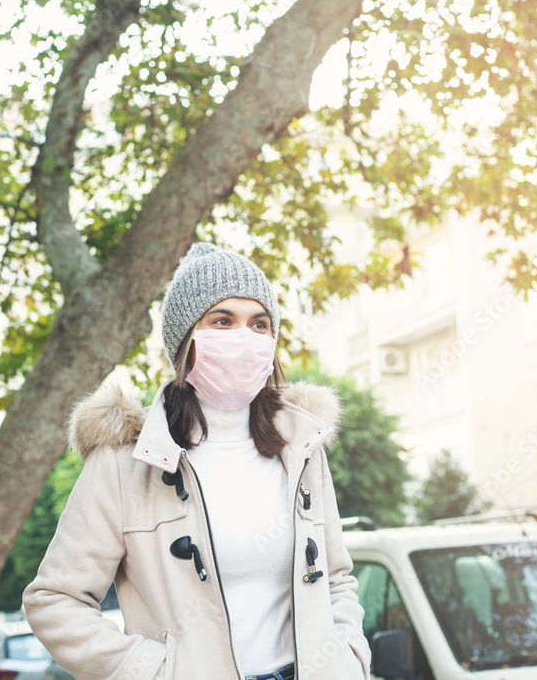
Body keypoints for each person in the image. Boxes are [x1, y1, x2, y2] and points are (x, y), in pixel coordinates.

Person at [23, 243, 371, 680]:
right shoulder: (123, 461)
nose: (244, 336)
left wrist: (347, 659)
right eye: (222, 321)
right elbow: (54, 599)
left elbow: (337, 580)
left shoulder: (301, 446)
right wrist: (152, 672)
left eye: (259, 323)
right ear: (185, 341)